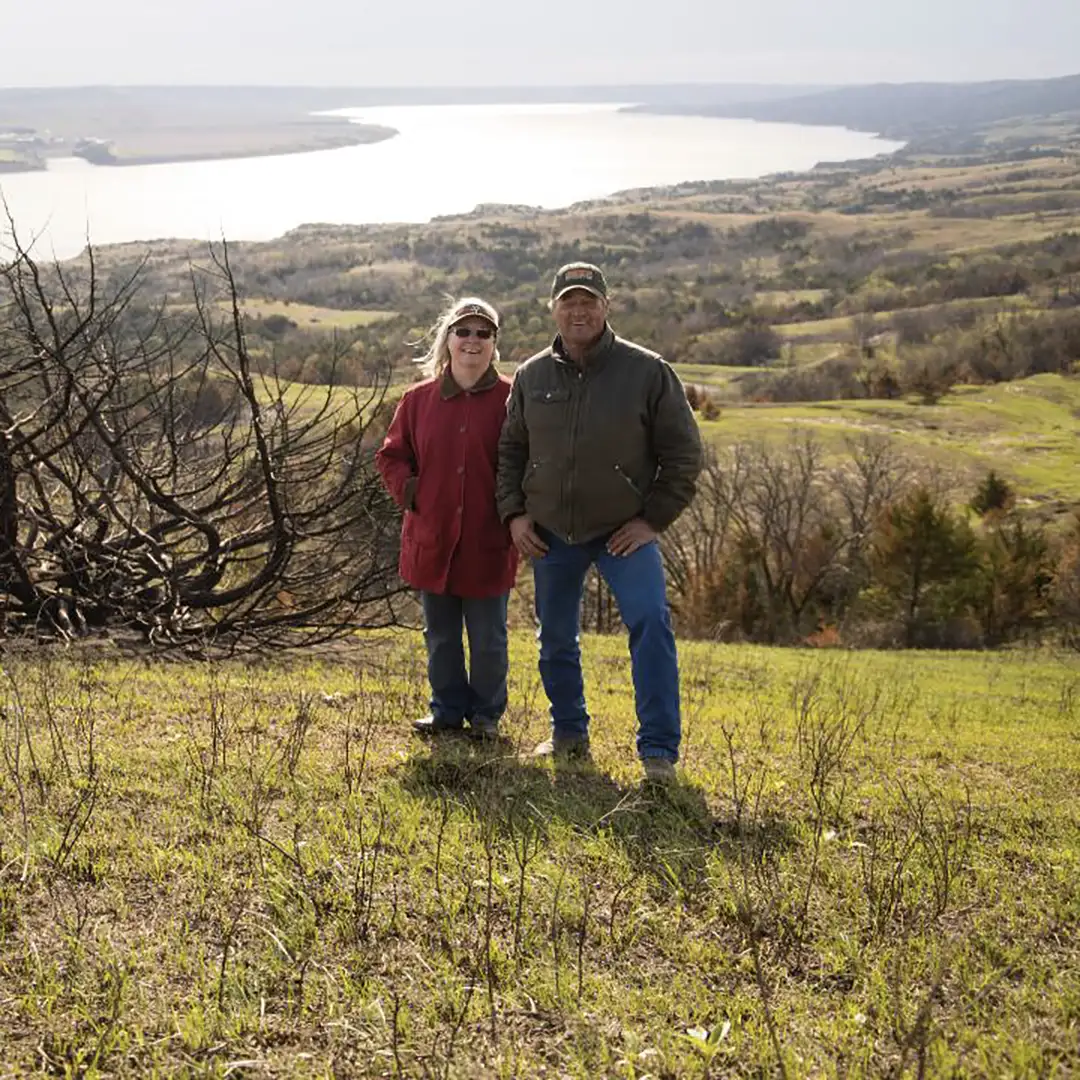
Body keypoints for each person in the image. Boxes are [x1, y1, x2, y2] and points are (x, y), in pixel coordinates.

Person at [497, 263, 702, 783]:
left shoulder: (648, 371)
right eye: (569, 301)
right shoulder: (531, 375)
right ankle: (568, 733)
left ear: (607, 307)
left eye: (589, 300)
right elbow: (511, 452)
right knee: (556, 636)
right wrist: (515, 514)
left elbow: (682, 455)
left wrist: (652, 520)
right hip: (550, 535)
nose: (579, 309)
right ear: (553, 309)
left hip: (622, 532)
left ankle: (658, 753)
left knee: (651, 623)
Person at [377, 297, 518, 740]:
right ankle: (445, 712)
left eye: (483, 333)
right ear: (448, 339)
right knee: (440, 636)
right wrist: (413, 492)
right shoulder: (418, 400)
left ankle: (486, 717)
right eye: (464, 332)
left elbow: (531, 461)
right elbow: (391, 456)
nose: (472, 341)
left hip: (488, 539)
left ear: (494, 343)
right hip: (432, 537)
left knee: (488, 638)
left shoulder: (515, 397)